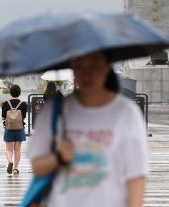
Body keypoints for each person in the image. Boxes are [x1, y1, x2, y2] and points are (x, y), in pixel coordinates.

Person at [27, 52, 149, 207]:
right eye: (79, 67)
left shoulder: (127, 113)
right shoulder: (54, 111)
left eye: (94, 67)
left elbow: (136, 176)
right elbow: (37, 167)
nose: (86, 74)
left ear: (106, 67)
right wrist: (57, 158)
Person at [1, 85, 27, 175]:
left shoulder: (5, 104)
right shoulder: (23, 104)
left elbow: (3, 117)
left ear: (10, 92)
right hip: (19, 128)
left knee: (9, 149)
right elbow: (24, 116)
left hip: (8, 128)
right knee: (17, 150)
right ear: (19, 93)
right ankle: (15, 169)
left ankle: (9, 161)